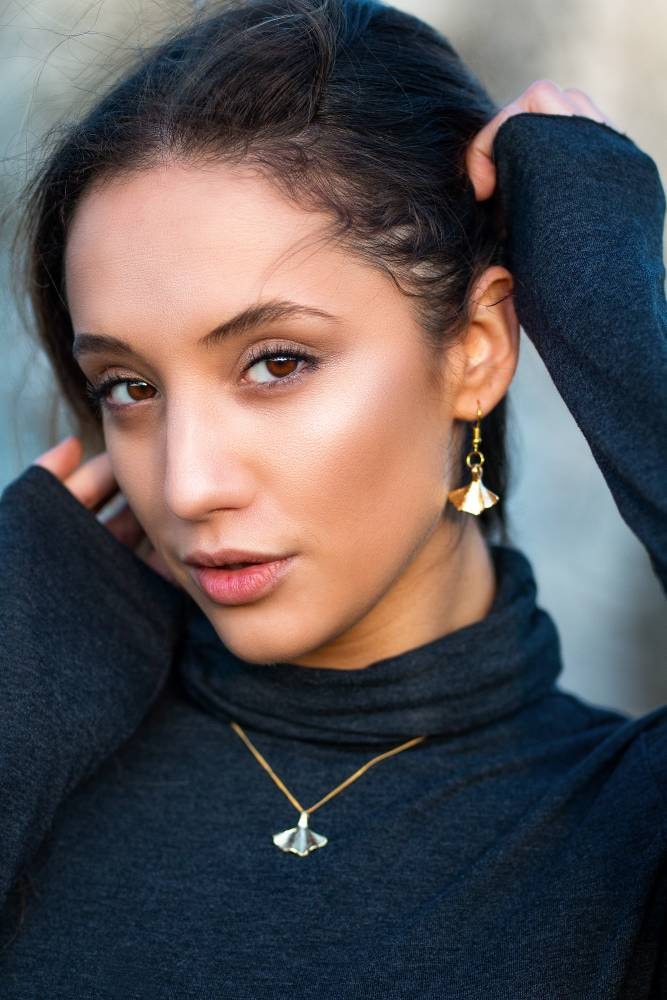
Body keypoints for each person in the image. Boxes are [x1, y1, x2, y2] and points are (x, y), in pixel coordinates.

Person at [0, 0, 665, 995]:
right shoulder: (38, 757)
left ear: (475, 348)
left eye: (275, 362)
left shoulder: (628, 826)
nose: (188, 483)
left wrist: (611, 309)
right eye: (129, 388)